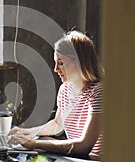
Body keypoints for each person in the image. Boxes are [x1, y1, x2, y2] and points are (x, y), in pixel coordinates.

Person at [9, 30, 104, 158]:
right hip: (76, 158)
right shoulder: (65, 89)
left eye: (61, 63)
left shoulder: (99, 92)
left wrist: (35, 143)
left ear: (79, 61)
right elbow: (57, 124)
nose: (56, 69)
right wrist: (26, 132)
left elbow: (84, 146)